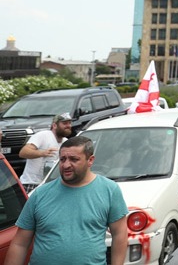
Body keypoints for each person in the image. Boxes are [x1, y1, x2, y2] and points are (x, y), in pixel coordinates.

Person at [5, 135, 128, 265]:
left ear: (90, 160)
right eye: (62, 159)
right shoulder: (40, 194)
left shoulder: (109, 190)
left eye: (74, 159)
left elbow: (119, 234)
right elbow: (20, 244)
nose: (66, 165)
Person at [18, 113, 73, 193]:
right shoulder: (43, 135)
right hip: (32, 184)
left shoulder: (66, 141)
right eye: (64, 123)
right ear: (54, 125)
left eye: (69, 123)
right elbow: (23, 152)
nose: (68, 126)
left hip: (51, 184)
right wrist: (42, 153)